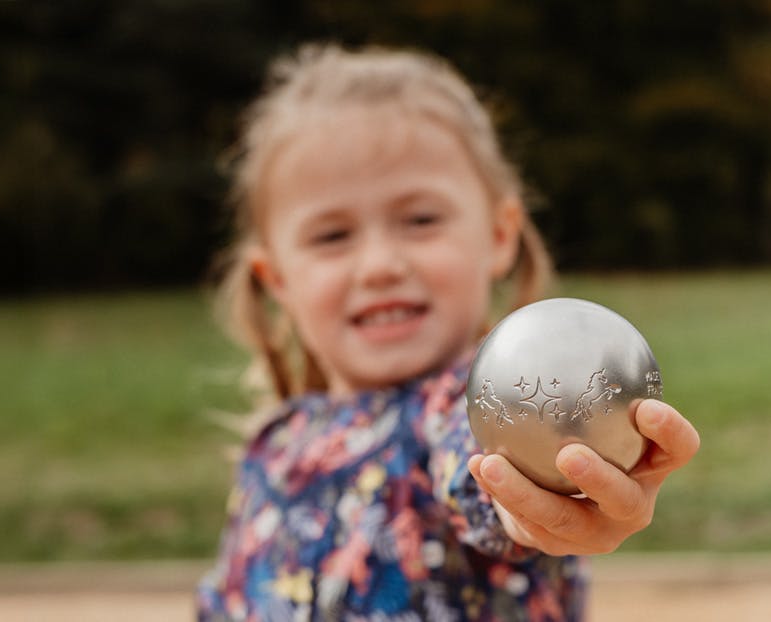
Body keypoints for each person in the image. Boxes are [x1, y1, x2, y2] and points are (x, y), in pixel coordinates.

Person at [197, 44, 699, 621]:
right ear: (277, 278)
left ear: (499, 234)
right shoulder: (275, 445)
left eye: (421, 220)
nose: (381, 264)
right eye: (333, 236)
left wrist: (533, 502)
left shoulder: (466, 409)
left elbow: (480, 469)